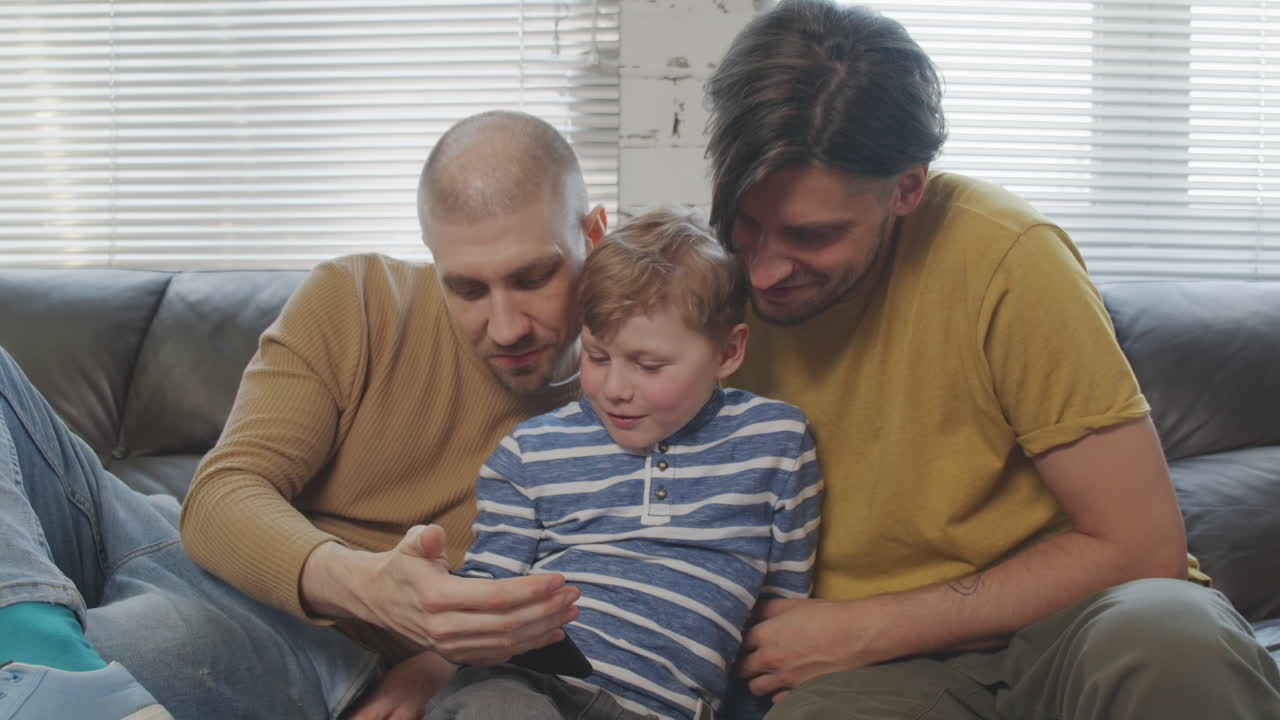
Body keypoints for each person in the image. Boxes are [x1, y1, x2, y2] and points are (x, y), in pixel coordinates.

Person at [700, 2, 1280, 719]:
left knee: (1174, 639)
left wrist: (869, 625)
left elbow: (1141, 547)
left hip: (1068, 629)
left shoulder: (1007, 257)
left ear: (907, 189)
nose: (762, 272)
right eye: (745, 223)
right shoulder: (700, 285)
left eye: (813, 236)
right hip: (877, 678)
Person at [0, 110, 608, 720]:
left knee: (76, 671)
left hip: (300, 648)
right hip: (163, 540)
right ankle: (40, 638)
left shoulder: (642, 409)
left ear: (594, 236)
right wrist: (373, 588)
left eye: (533, 278)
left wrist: (440, 664)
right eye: (467, 289)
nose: (505, 327)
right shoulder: (360, 297)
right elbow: (218, 497)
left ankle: (43, 653)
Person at [423, 210, 822, 720]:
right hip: (528, 686)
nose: (614, 389)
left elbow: (782, 625)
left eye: (648, 365)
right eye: (596, 356)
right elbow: (486, 592)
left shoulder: (777, 442)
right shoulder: (530, 451)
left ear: (727, 352)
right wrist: (443, 597)